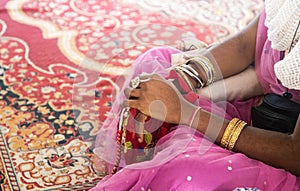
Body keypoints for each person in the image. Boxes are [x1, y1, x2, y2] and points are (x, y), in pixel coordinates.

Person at [91, 0, 300, 190]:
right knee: (155, 64)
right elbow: (245, 44)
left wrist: (186, 112)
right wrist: (182, 78)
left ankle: (159, 167)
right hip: (257, 108)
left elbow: (294, 153)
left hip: (281, 155)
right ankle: (149, 165)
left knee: (186, 173)